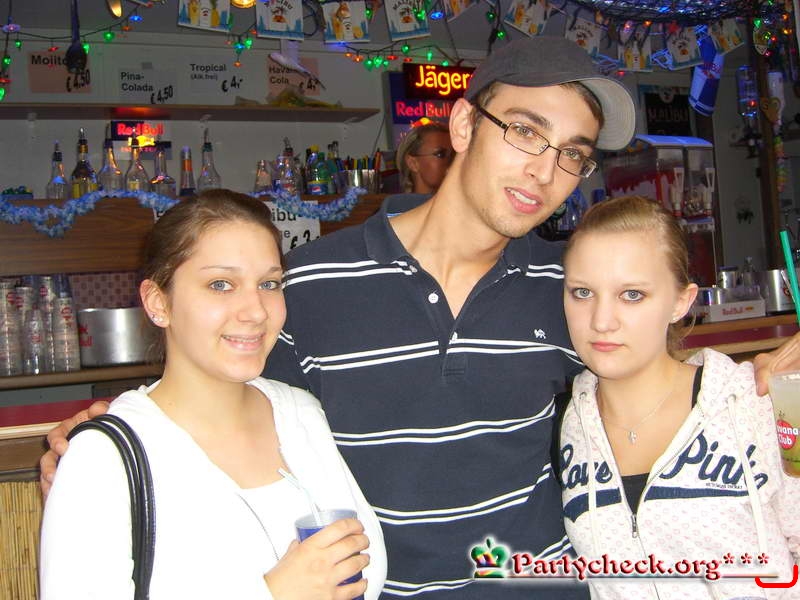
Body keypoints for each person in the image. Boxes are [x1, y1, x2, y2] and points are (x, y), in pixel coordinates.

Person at [39, 37, 798, 598]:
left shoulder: (569, 289)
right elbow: (222, 391)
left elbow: (663, 379)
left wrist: (762, 374)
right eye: (525, 131)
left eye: (573, 153)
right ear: (463, 126)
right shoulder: (310, 284)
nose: (545, 170)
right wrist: (116, 439)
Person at [39, 190, 386, 600]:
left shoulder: (302, 414)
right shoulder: (103, 457)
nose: (256, 310)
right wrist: (275, 594)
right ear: (157, 302)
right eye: (221, 284)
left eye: (269, 283)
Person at [559, 195, 800, 599]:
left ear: (680, 302)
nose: (601, 321)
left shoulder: (754, 404)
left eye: (632, 294)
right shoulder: (566, 425)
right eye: (582, 292)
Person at [395, 121, 453, 194]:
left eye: (454, 155)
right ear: (413, 163)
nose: (452, 161)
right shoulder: (398, 201)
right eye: (440, 154)